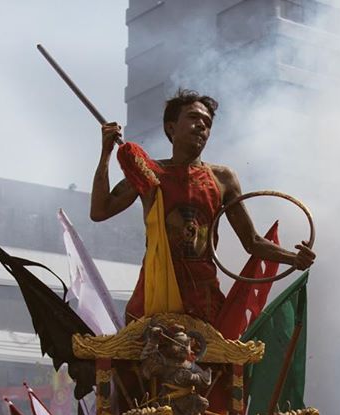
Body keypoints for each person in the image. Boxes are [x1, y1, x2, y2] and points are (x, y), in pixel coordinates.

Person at [90, 89, 315, 326]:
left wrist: (294, 258)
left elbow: (252, 242)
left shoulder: (223, 178)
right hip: (155, 294)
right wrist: (106, 153)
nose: (201, 125)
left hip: (204, 300)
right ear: (171, 127)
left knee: (213, 362)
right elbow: (99, 211)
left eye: (207, 122)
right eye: (193, 118)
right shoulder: (148, 172)